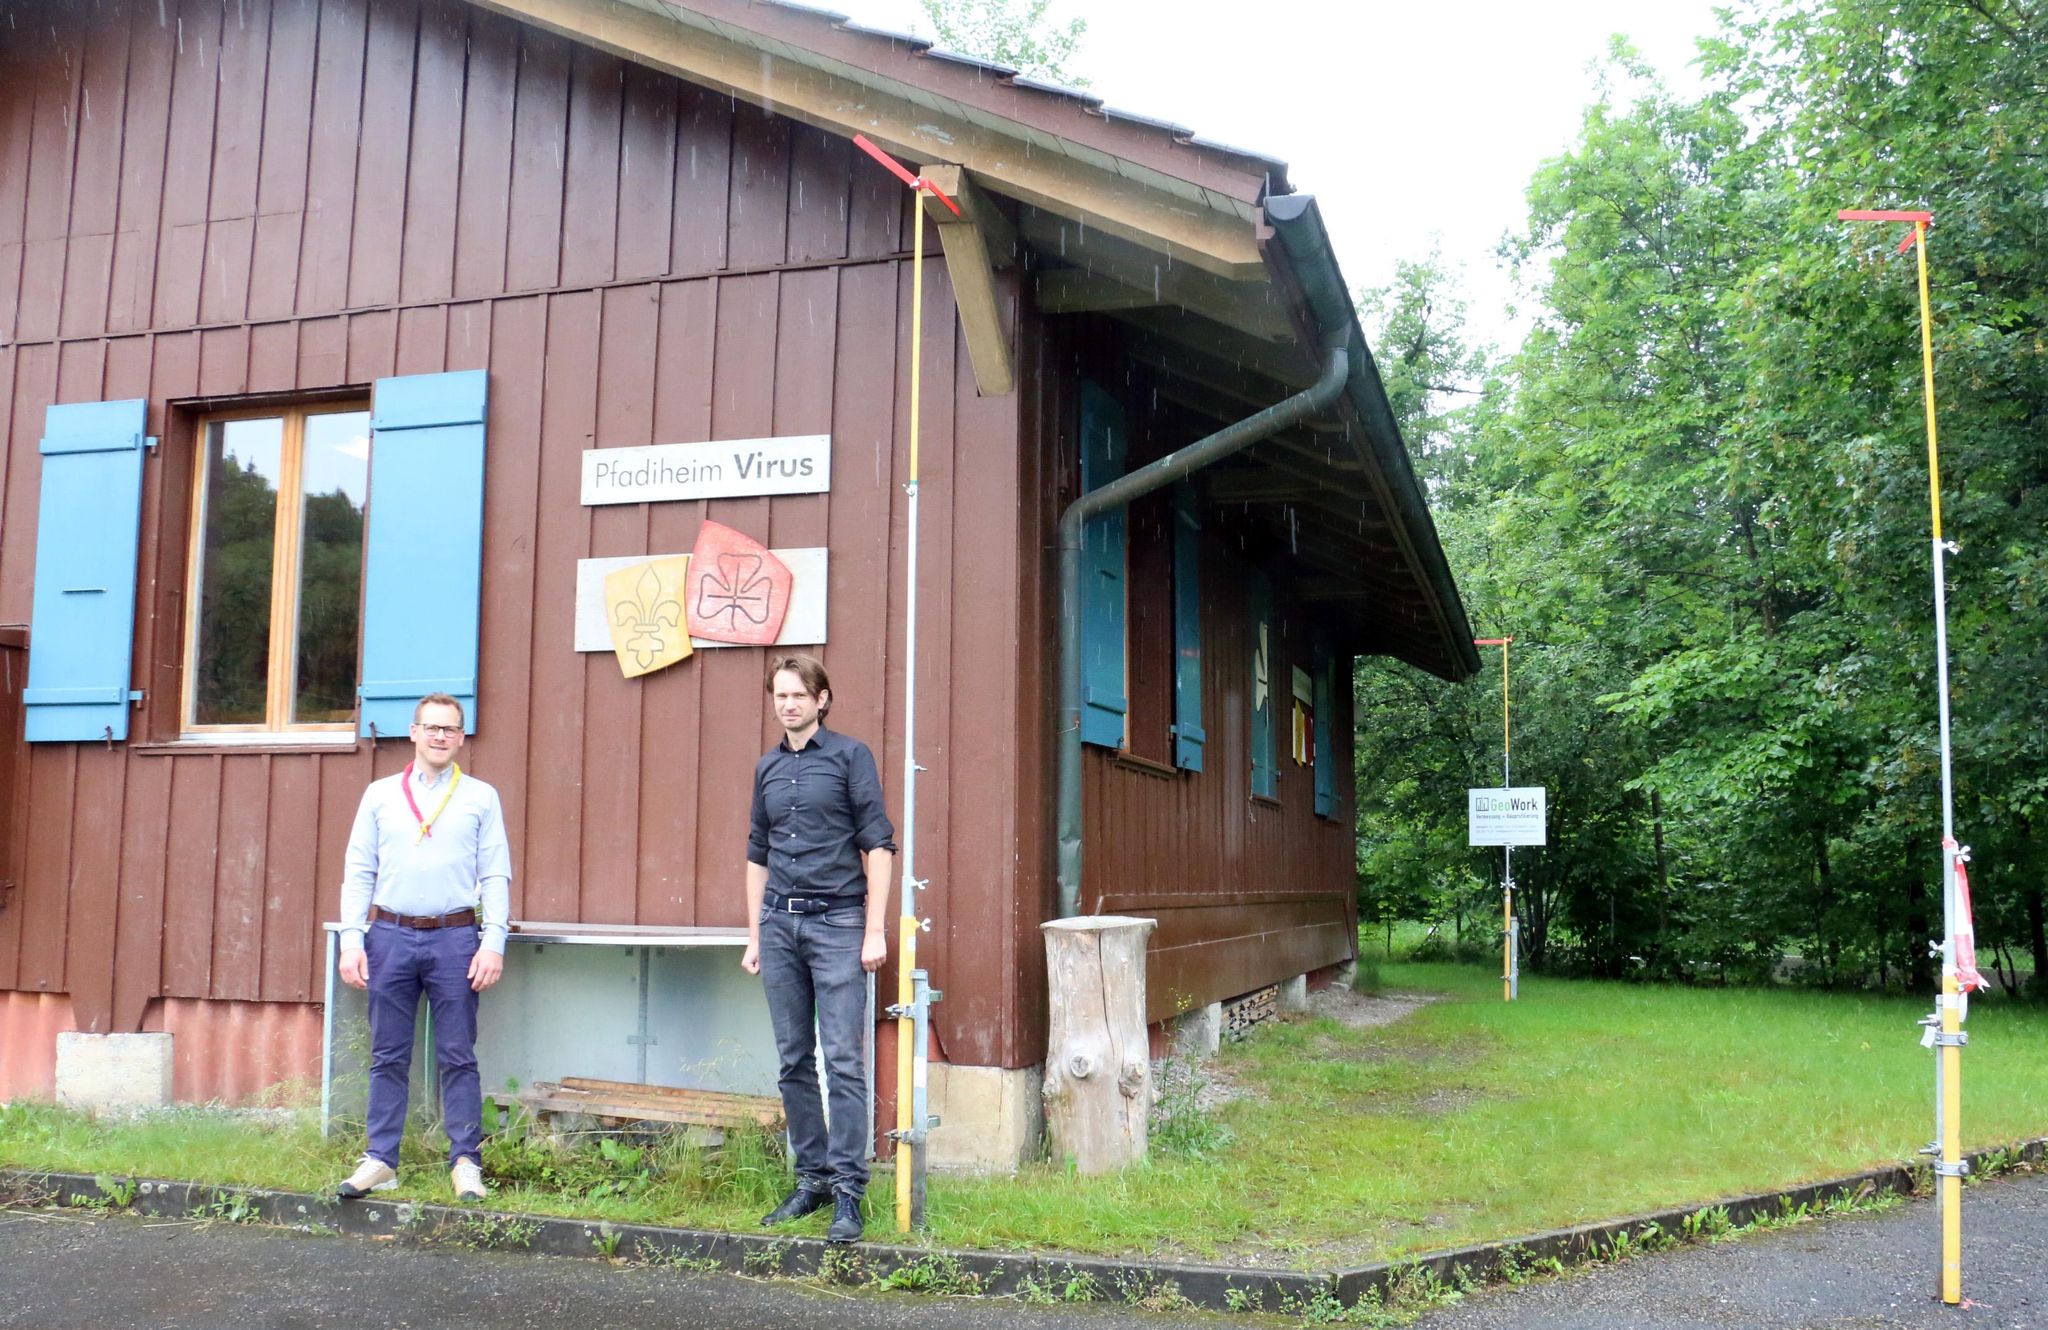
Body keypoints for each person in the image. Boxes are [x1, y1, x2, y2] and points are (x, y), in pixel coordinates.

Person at [334, 693, 512, 1203]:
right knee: (387, 1053)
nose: (440, 737)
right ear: (412, 733)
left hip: (455, 938)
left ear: (461, 738)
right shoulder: (380, 795)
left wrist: (492, 941)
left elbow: (495, 872)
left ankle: (465, 1162)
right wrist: (352, 939)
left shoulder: (480, 796)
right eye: (431, 728)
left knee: (458, 1054)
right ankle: (381, 1160)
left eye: (450, 729)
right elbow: (358, 870)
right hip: (388, 935)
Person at [744, 653, 895, 1244]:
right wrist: (756, 934)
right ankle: (811, 1181)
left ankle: (849, 1191)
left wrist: (873, 929)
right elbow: (757, 853)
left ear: (821, 700)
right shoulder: (766, 769)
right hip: (779, 926)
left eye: (799, 696)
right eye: (780, 696)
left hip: (838, 923)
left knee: (844, 1061)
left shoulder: (851, 757)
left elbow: (877, 845)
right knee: (792, 1060)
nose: (788, 704)